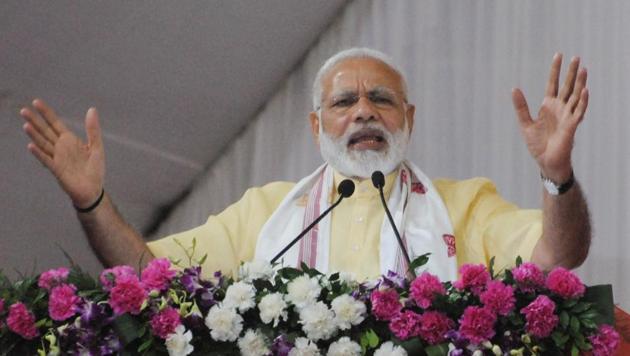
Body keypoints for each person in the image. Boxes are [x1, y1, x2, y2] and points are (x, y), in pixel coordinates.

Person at [19, 48, 591, 281]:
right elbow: (148, 275)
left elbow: (557, 256)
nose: (364, 112)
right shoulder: (266, 213)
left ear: (408, 118)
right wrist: (92, 202)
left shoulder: (464, 205)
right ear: (318, 126)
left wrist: (555, 175)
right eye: (344, 102)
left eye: (382, 100)